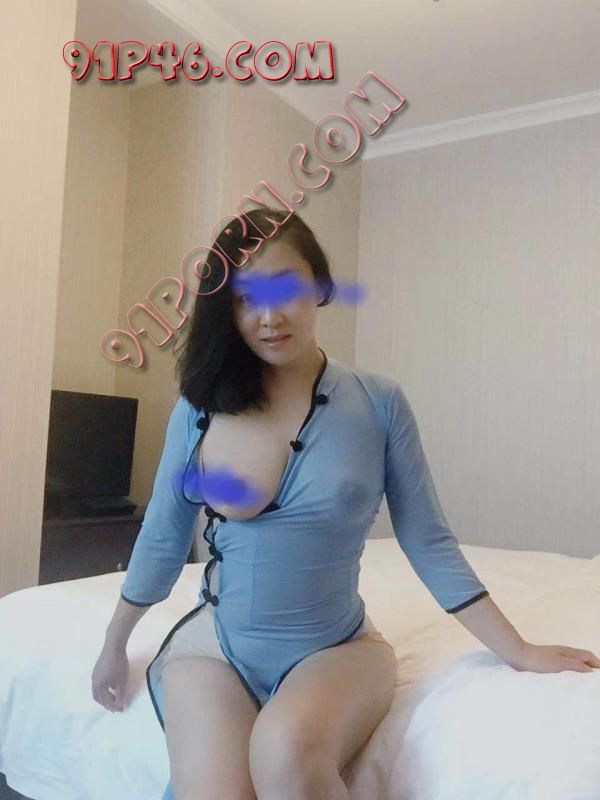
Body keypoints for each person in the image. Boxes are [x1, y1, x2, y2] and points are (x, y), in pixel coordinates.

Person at [92, 206, 492, 800]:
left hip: (336, 648)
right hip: (217, 649)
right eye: (245, 300)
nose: (269, 316)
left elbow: (427, 539)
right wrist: (114, 643)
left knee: (285, 754)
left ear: (320, 286)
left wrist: (519, 650)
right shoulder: (201, 408)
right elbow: (163, 534)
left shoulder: (378, 402)